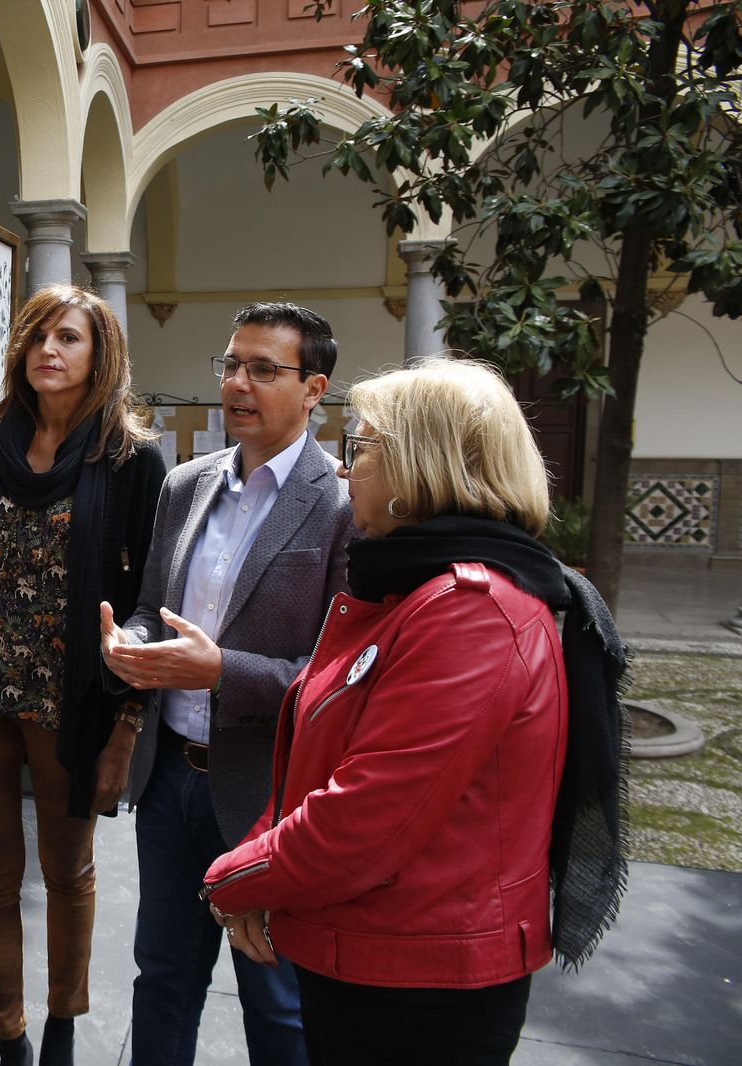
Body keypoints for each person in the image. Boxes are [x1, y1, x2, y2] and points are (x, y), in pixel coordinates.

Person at [200, 359, 630, 1066]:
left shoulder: (470, 611)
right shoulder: (407, 591)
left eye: (361, 448)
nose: (344, 472)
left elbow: (366, 817)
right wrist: (263, 864)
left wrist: (232, 880)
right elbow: (317, 756)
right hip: (374, 955)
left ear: (418, 471)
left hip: (421, 986)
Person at [0, 284, 166, 1066]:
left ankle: (63, 1021)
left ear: (101, 354)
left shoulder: (131, 458)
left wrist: (129, 724)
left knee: (67, 870)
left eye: (69, 338)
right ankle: (9, 1033)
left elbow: (152, 598)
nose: (48, 350)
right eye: (37, 337)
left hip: (72, 697)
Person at [101, 302, 352, 1066]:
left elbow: (341, 680)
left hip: (271, 795)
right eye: (231, 365)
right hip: (171, 777)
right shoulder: (185, 485)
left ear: (315, 389)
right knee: (164, 978)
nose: (238, 383)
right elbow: (153, 607)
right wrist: (131, 644)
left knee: (276, 1005)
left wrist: (223, 672)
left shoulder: (341, 505)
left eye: (263, 370)